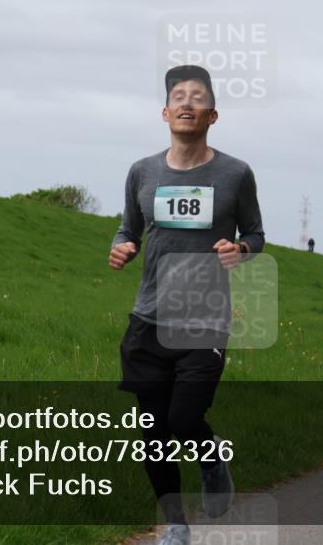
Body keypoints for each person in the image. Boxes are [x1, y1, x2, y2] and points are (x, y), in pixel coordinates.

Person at [109, 64, 265, 545]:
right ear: (165, 112)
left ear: (211, 115)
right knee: (153, 434)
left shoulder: (235, 174)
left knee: (181, 421)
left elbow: (256, 235)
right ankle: (175, 524)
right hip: (148, 318)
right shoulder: (143, 171)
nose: (187, 102)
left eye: (197, 97)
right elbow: (127, 228)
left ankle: (210, 455)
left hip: (204, 321)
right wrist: (122, 245)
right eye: (179, 96)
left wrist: (239, 250)